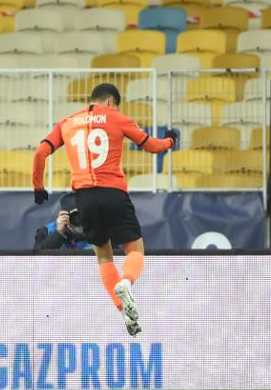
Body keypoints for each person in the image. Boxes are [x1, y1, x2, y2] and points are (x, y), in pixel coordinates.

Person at [32, 83, 177, 337]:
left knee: (103, 256)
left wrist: (38, 186)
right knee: (135, 249)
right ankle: (126, 282)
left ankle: (124, 312)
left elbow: (41, 151)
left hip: (84, 197)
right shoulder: (116, 117)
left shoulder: (68, 121)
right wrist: (170, 141)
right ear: (110, 102)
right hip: (113, 192)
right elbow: (152, 146)